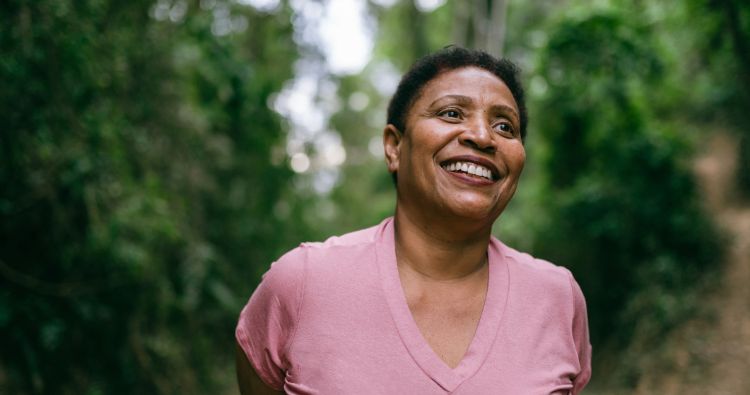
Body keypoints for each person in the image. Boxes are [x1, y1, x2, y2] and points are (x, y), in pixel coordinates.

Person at [235, 46, 592, 394]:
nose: (483, 137)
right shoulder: (302, 283)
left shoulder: (557, 298)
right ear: (394, 147)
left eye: (505, 126)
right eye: (452, 113)